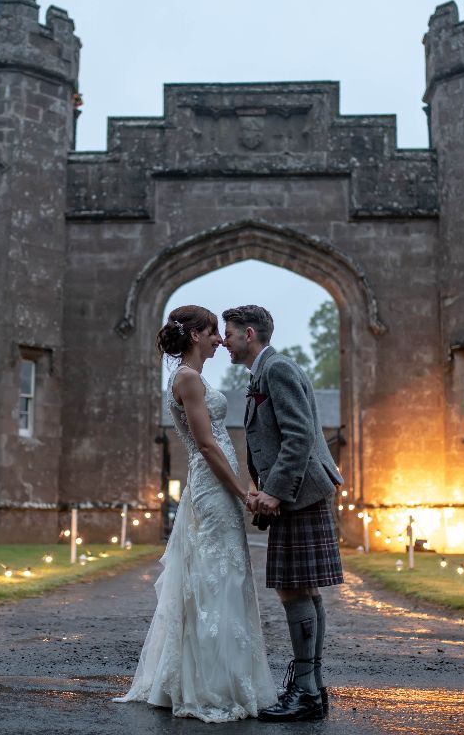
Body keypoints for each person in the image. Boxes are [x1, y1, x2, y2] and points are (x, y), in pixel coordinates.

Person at [114, 305, 277, 722]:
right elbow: (206, 445)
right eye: (212, 333)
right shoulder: (186, 379)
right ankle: (210, 685)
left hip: (215, 486)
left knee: (223, 574)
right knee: (216, 578)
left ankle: (220, 676)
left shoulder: (194, 378)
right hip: (212, 486)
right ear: (194, 337)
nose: (220, 340)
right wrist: (244, 492)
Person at [222, 304, 344, 723]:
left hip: (298, 494)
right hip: (297, 493)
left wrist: (274, 492)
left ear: (249, 333)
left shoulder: (277, 369)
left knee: (295, 589)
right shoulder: (264, 372)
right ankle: (311, 688)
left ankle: (307, 692)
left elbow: (300, 435)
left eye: (231, 334)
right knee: (304, 589)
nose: (226, 341)